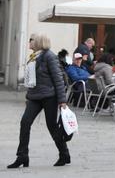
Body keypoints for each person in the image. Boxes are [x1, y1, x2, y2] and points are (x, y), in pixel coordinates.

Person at [7, 34, 70, 169]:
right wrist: (28, 97)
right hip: (35, 97)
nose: (29, 42)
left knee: (52, 126)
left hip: (49, 97)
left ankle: (64, 154)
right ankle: (22, 156)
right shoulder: (33, 57)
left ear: (38, 42)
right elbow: (31, 80)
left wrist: (62, 101)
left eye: (31, 40)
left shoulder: (49, 56)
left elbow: (58, 79)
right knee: (25, 122)